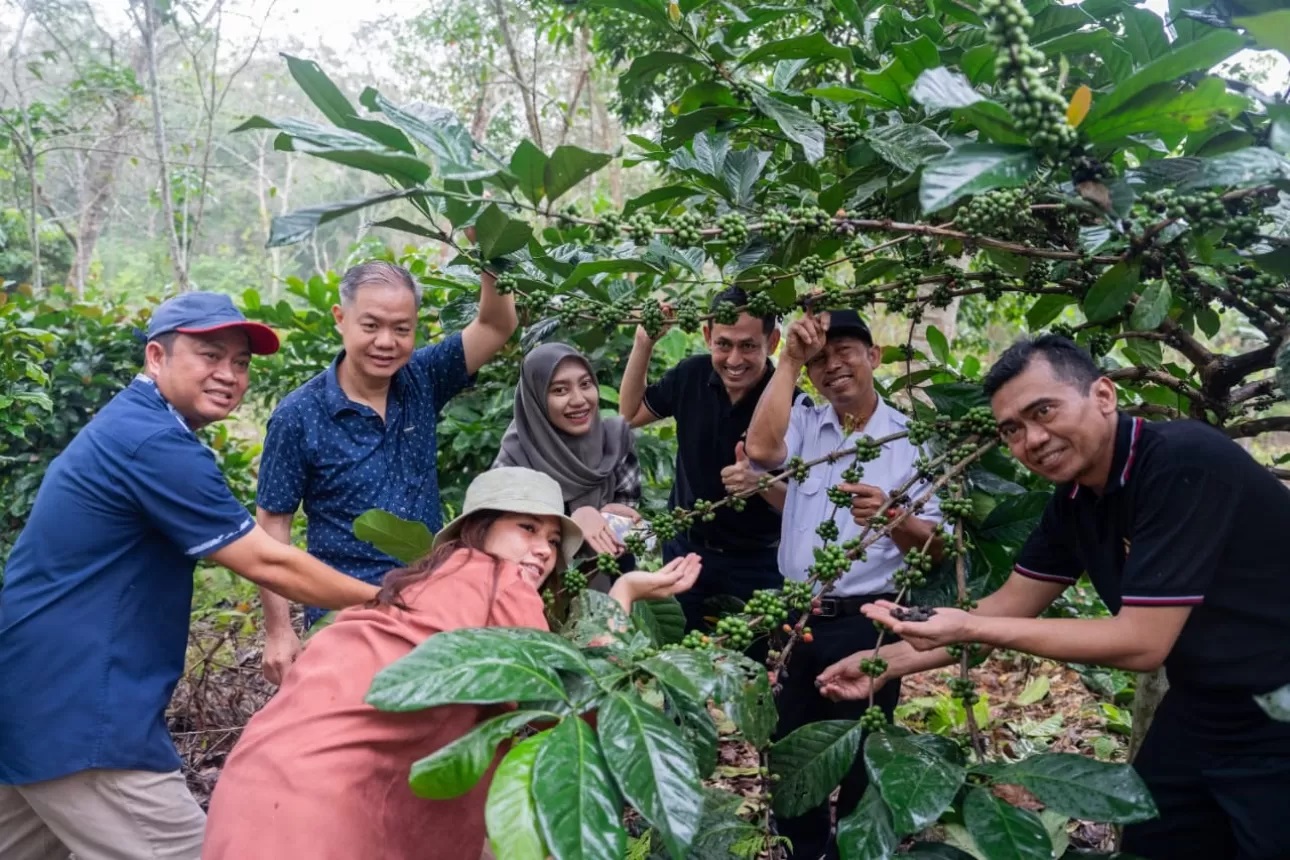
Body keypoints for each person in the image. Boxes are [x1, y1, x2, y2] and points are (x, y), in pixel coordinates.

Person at [817, 334, 1290, 860]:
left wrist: (970, 628)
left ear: (1104, 396)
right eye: (1012, 430)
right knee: (1157, 838)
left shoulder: (1184, 460)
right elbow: (1005, 607)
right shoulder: (1074, 500)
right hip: (1205, 704)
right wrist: (887, 662)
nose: (1032, 439)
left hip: (1280, 709)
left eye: (1044, 411)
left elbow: (1141, 642)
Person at [0, 292, 381, 860]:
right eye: (209, 355)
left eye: (241, 362)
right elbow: (268, 559)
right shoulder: (153, 442)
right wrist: (396, 600)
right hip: (82, 712)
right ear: (157, 357)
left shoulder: (138, 426)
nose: (229, 374)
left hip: (31, 696)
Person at [201, 467, 702, 860]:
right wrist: (621, 596)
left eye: (552, 540)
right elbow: (582, 704)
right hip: (324, 812)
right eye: (526, 528)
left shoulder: (422, 588)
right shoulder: (495, 581)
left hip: (254, 791)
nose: (542, 550)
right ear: (478, 532)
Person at [256, 259, 517, 685]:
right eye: (371, 325)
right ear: (341, 319)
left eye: (401, 329)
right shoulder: (298, 416)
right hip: (345, 617)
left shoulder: (421, 379)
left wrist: (489, 251)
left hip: (429, 605)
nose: (386, 342)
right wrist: (278, 629)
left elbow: (495, 325)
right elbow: (272, 524)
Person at [744, 308, 943, 860]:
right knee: (789, 755)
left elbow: (941, 548)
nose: (834, 367)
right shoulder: (806, 423)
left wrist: (895, 519)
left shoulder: (912, 441)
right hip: (796, 620)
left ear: (874, 357)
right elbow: (760, 452)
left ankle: (856, 850)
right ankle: (805, 850)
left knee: (861, 754)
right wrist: (788, 359)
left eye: (846, 352)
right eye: (821, 361)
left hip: (867, 622)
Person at [618, 286, 797, 634]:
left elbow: (806, 504)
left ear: (773, 342)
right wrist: (644, 343)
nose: (734, 360)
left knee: (751, 658)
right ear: (707, 336)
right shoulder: (690, 376)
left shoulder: (790, 401)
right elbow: (629, 413)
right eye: (723, 344)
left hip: (758, 561)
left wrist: (761, 484)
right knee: (680, 655)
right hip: (687, 549)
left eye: (748, 346)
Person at [494, 342, 641, 559]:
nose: (579, 400)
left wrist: (614, 521)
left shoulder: (615, 441)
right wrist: (572, 523)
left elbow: (627, 534)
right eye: (560, 390)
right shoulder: (513, 462)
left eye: (585, 384)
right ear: (536, 400)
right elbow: (499, 546)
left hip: (610, 582)